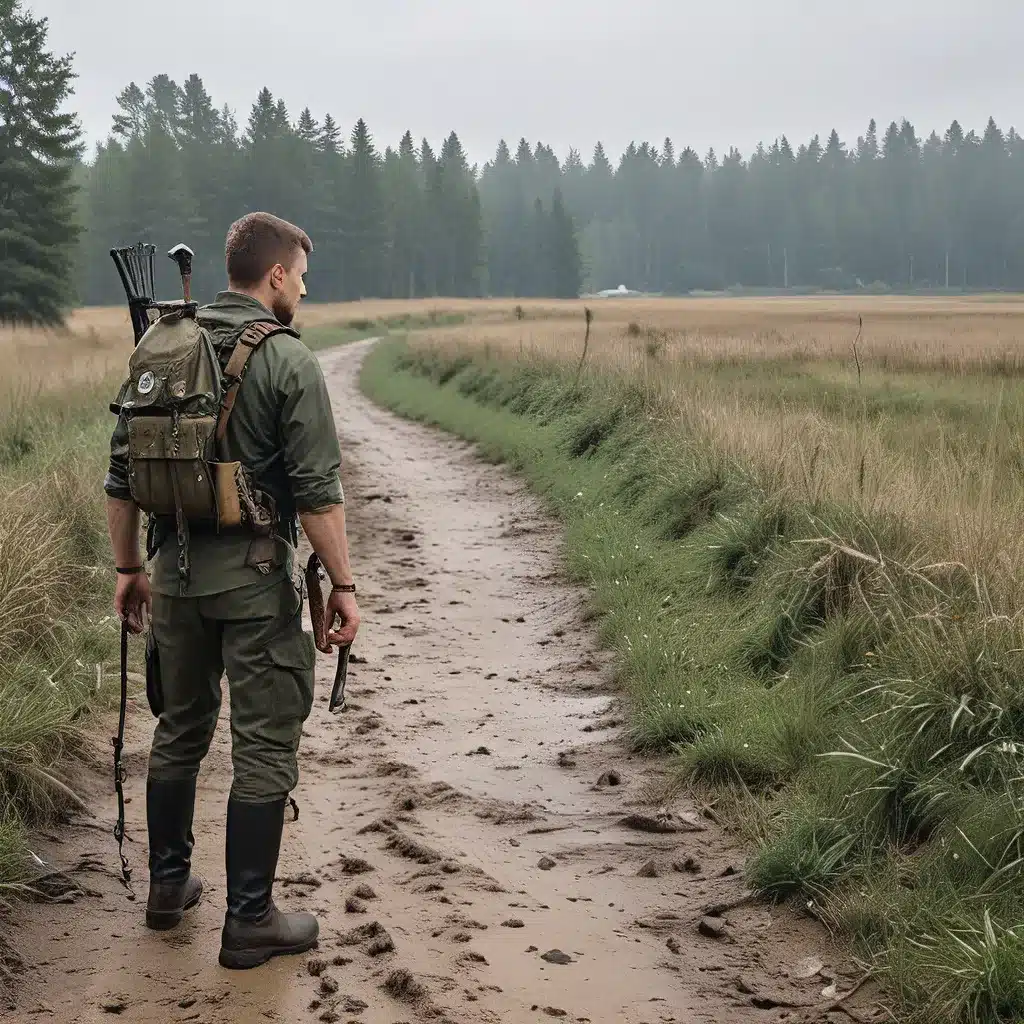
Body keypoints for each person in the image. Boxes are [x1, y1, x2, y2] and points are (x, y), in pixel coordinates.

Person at [103, 212, 360, 970]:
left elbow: (122, 478)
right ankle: (249, 918)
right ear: (275, 275)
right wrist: (342, 585)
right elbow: (317, 496)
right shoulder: (287, 361)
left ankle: (167, 887)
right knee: (263, 741)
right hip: (253, 584)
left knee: (180, 727)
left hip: (173, 578)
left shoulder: (160, 347)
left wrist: (129, 570)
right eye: (302, 278)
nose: (304, 293)